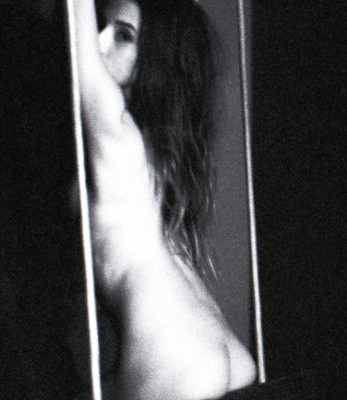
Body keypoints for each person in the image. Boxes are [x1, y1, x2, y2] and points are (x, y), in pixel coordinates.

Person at [72, 0, 257, 399]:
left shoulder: (119, 141)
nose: (101, 41)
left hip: (175, 355)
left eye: (123, 36)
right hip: (219, 348)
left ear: (154, 58)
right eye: (103, 27)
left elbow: (80, 53)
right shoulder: (159, 153)